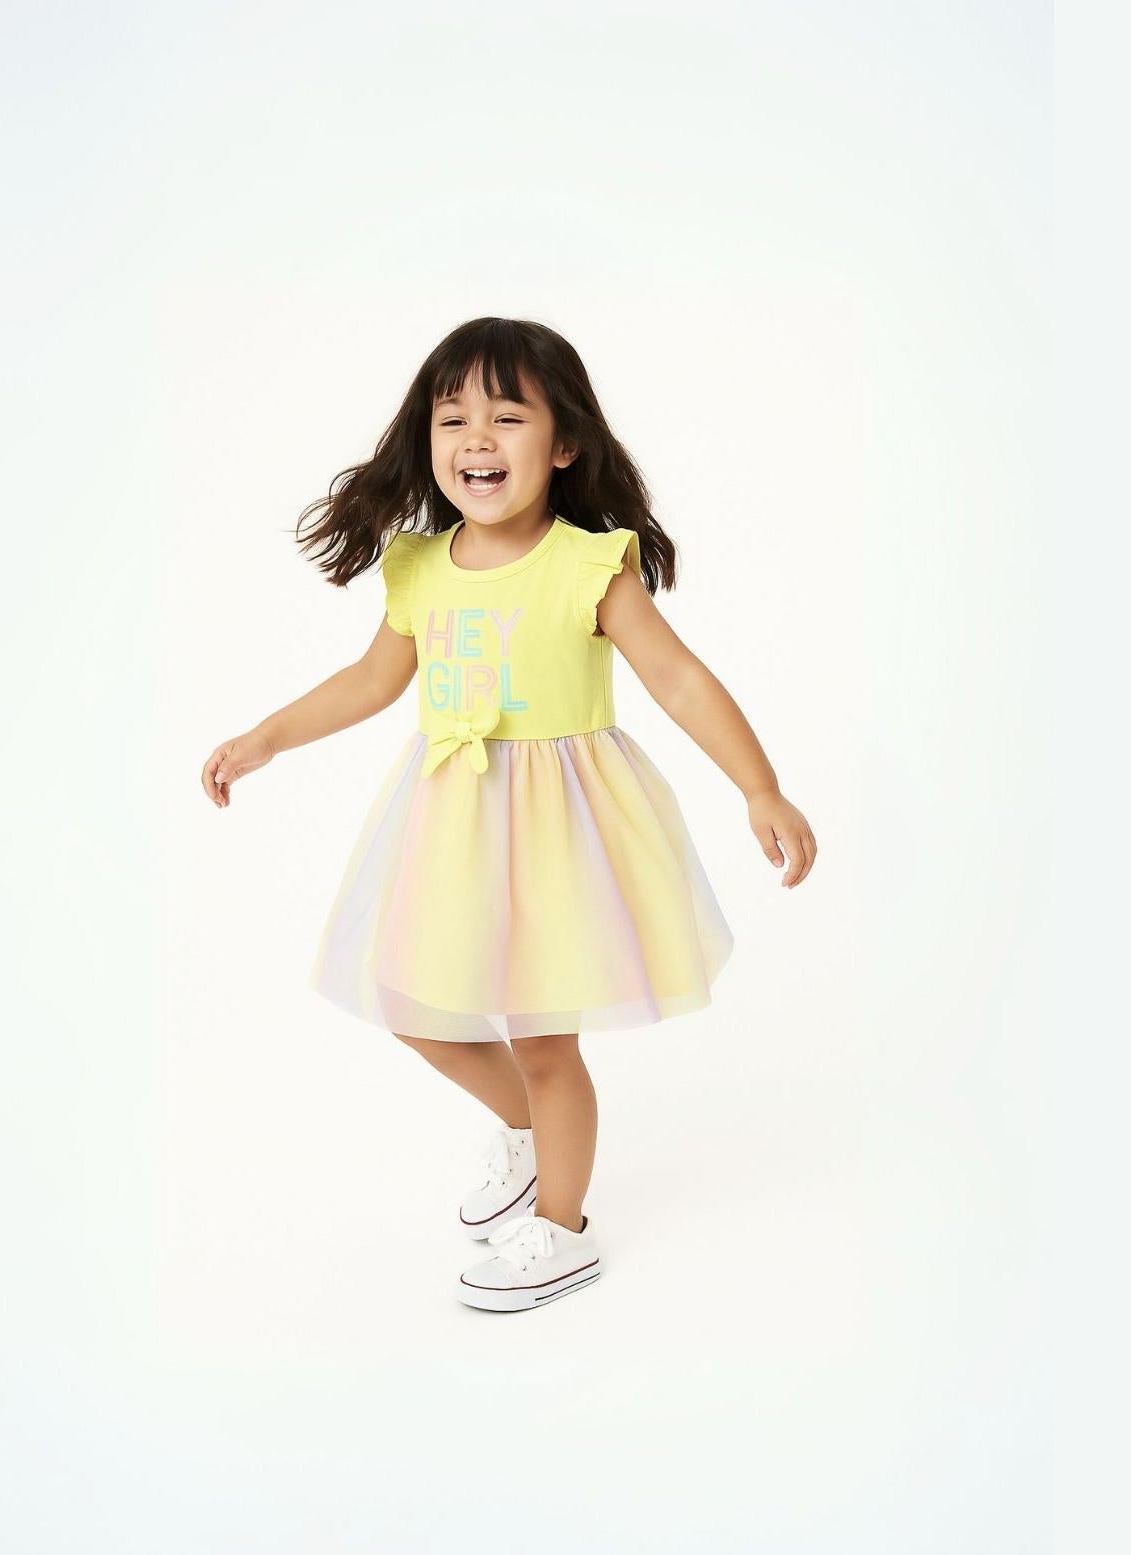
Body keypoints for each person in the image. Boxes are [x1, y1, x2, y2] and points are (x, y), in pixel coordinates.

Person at [200, 317, 817, 1312]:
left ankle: (562, 1226)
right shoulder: (419, 566)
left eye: (506, 415)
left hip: (559, 832)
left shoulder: (589, 564)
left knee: (543, 1037)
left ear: (562, 442)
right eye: (453, 418)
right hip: (451, 826)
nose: (475, 438)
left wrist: (759, 784)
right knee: (416, 1008)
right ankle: (534, 1139)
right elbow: (370, 681)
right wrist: (267, 736)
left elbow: (679, 679)